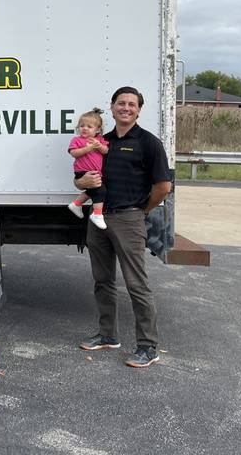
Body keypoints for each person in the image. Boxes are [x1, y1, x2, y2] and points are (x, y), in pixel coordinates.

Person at [74, 87, 171, 368]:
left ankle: (148, 346)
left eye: (131, 104)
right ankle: (107, 335)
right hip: (98, 216)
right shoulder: (99, 141)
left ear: (139, 110)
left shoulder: (148, 143)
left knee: (136, 284)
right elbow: (79, 179)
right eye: (120, 103)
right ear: (112, 107)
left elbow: (163, 186)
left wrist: (142, 211)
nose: (125, 108)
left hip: (129, 218)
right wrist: (82, 184)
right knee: (102, 280)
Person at [67, 108, 109, 230]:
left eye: (89, 126)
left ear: (97, 130)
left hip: (95, 173)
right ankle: (97, 214)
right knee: (100, 191)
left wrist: (99, 146)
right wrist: (88, 149)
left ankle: (76, 204)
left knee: (94, 191)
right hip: (82, 172)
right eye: (82, 126)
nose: (84, 128)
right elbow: (74, 153)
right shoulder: (77, 140)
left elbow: (106, 151)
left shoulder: (99, 140)